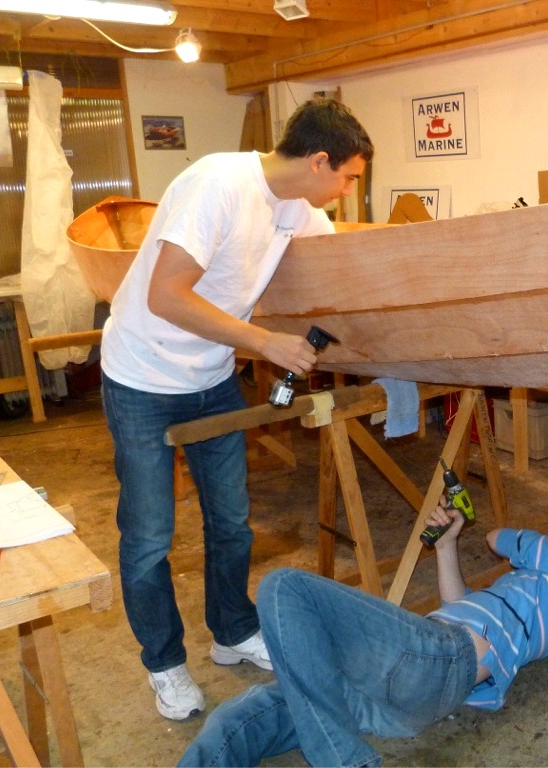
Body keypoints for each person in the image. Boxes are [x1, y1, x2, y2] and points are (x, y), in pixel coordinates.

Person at [100, 98, 373, 721]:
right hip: (143, 375)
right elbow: (165, 295)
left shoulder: (300, 207)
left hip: (211, 373)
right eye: (349, 177)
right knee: (149, 537)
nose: (350, 188)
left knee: (232, 523)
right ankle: (165, 664)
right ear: (318, 161)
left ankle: (231, 632)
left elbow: (341, 272)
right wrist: (265, 343)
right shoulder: (216, 185)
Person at [177, 502, 548, 766]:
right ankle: (334, 747)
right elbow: (457, 607)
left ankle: (344, 761)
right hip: (421, 695)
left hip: (435, 661)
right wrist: (447, 544)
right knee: (244, 717)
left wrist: (484, 528)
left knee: (284, 587)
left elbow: (503, 539)